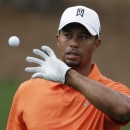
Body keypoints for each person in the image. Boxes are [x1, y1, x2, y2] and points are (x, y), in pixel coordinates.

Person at [6, 5, 130, 130]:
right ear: (58, 39)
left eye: (83, 37)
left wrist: (68, 75)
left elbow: (124, 111)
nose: (74, 43)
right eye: (68, 35)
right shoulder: (27, 91)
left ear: (96, 45)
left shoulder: (113, 91)